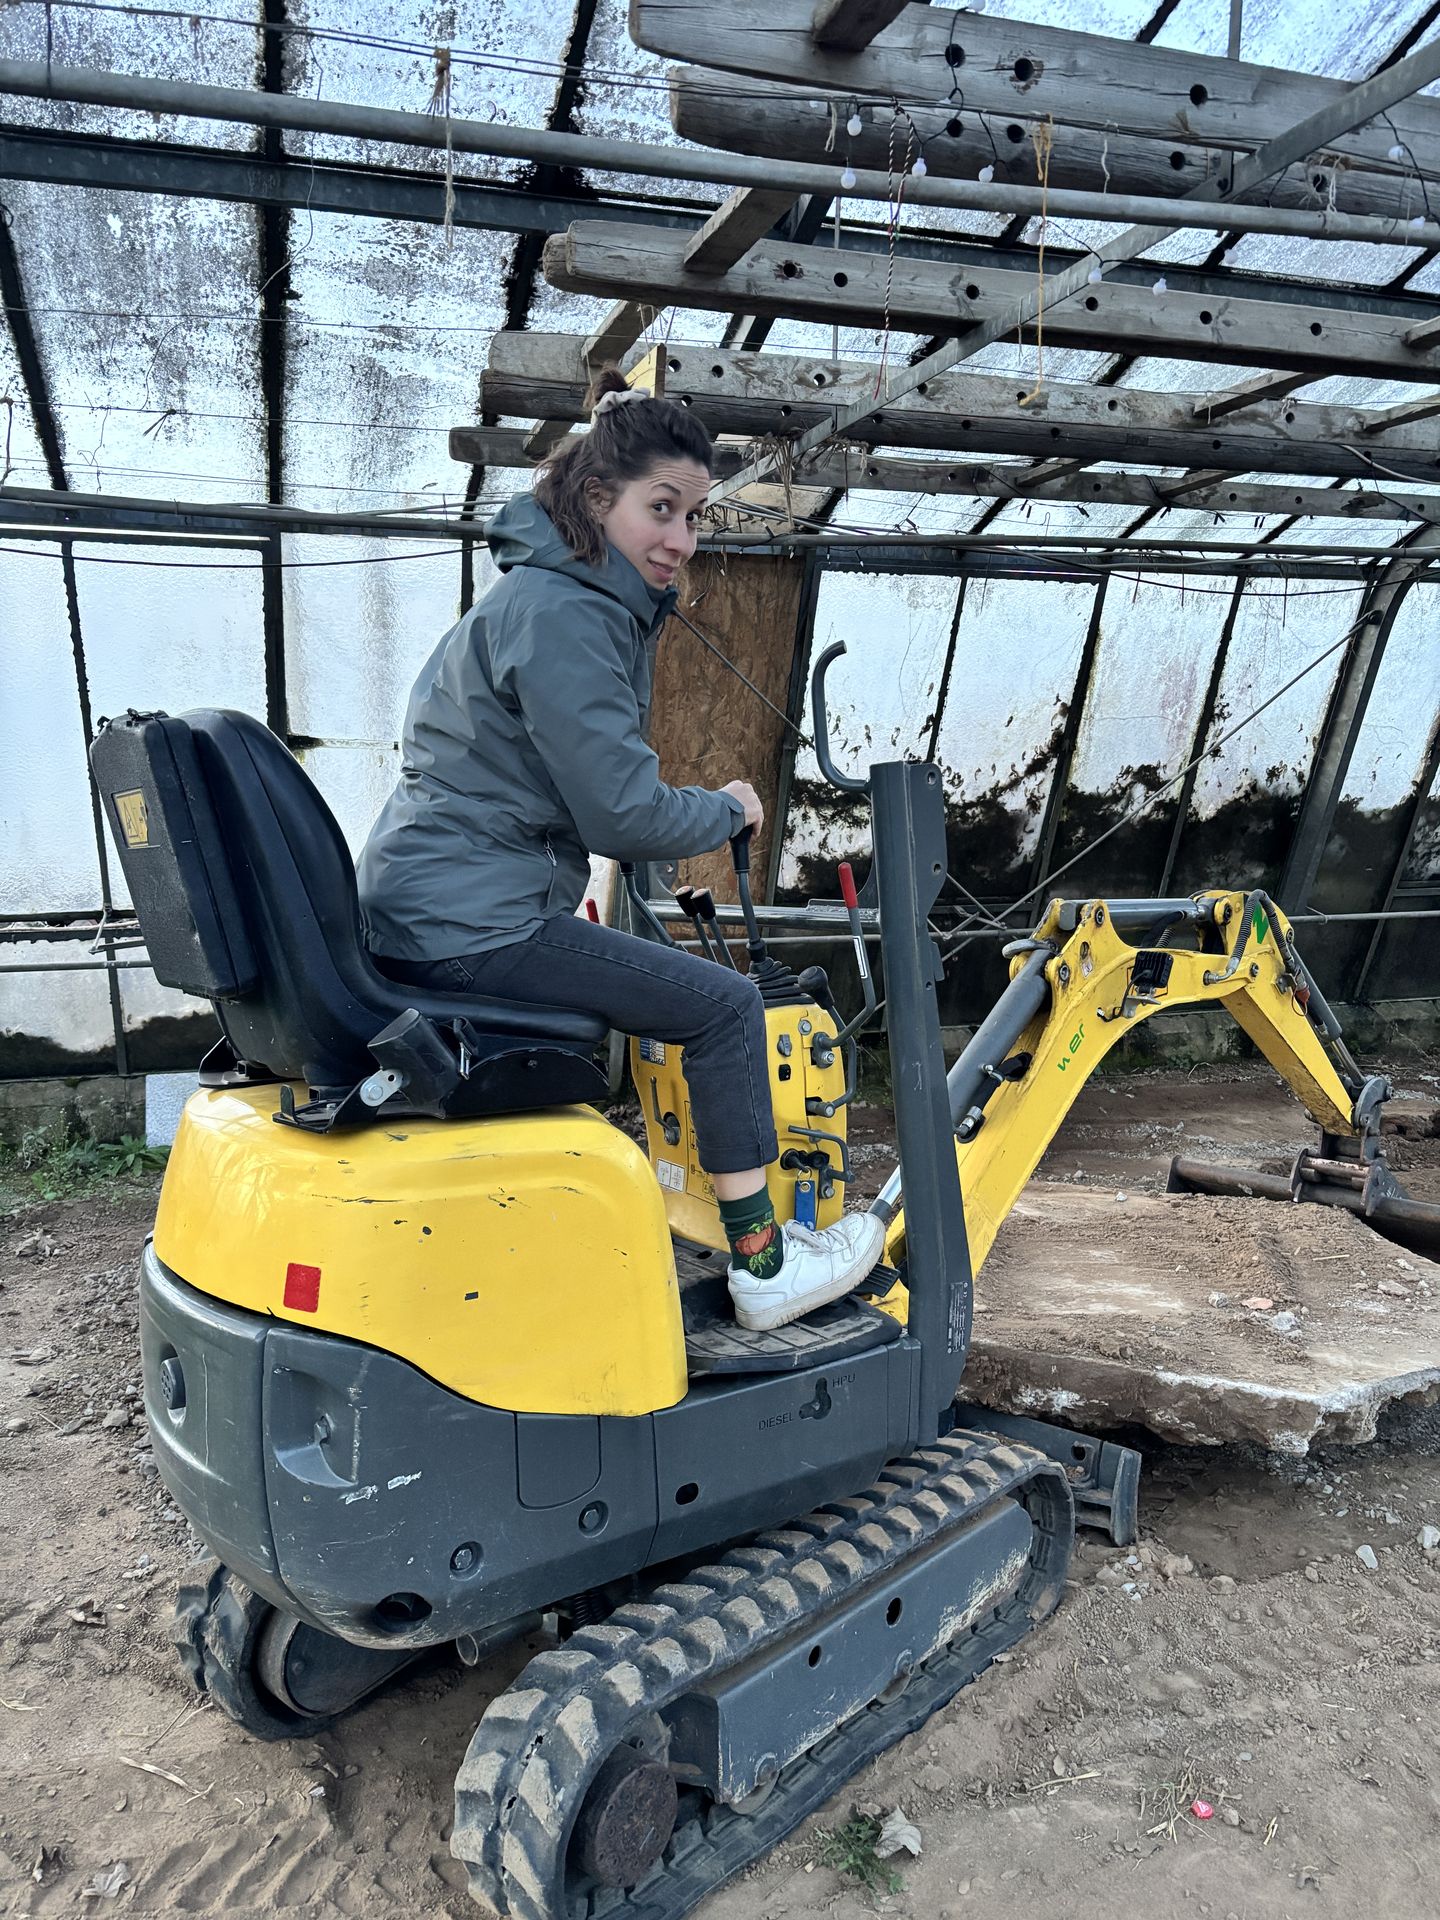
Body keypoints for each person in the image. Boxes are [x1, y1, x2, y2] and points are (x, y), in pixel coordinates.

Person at [357, 367, 884, 1331]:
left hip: (435, 900)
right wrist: (724, 810)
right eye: (662, 510)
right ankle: (765, 1266)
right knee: (724, 1007)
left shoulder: (534, 597)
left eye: (694, 518)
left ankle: (686, 1227)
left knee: (656, 997)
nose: (681, 541)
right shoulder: (568, 615)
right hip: (473, 919)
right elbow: (623, 819)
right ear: (599, 501)